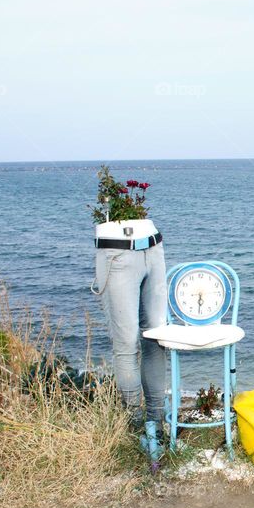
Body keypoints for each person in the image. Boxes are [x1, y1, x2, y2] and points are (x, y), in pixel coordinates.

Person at [91, 178, 166, 469]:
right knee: (127, 344)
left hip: (154, 247)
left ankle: (156, 424)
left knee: (156, 339)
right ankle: (136, 426)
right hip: (116, 251)